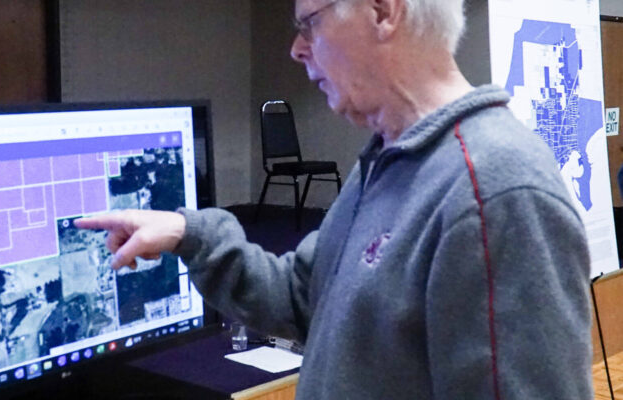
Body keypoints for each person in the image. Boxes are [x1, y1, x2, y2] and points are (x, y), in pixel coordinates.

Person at [77, 0, 593, 398]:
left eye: (310, 22)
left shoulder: (497, 192)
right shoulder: (391, 161)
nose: (297, 49)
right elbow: (306, 297)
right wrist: (191, 236)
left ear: (382, 12)